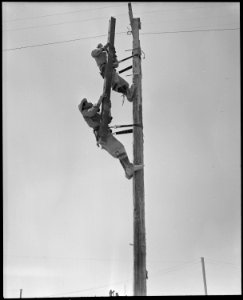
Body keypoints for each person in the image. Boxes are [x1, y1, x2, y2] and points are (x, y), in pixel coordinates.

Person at [78, 93, 143, 179]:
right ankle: (129, 167)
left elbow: (103, 118)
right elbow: (93, 111)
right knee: (118, 148)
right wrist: (100, 100)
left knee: (118, 151)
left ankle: (128, 170)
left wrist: (107, 107)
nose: (88, 102)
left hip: (103, 134)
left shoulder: (91, 114)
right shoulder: (85, 112)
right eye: (85, 103)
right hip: (102, 134)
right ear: (83, 107)